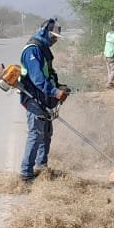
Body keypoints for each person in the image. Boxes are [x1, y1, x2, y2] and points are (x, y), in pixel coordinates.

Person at [18, 24, 69, 181]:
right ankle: (26, 174)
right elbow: (37, 79)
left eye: (56, 38)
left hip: (44, 99)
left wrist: (59, 86)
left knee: (46, 134)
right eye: (53, 37)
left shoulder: (43, 49)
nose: (55, 40)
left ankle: (42, 168)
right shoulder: (32, 50)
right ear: (44, 32)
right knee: (36, 134)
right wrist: (55, 92)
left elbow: (48, 74)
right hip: (33, 98)